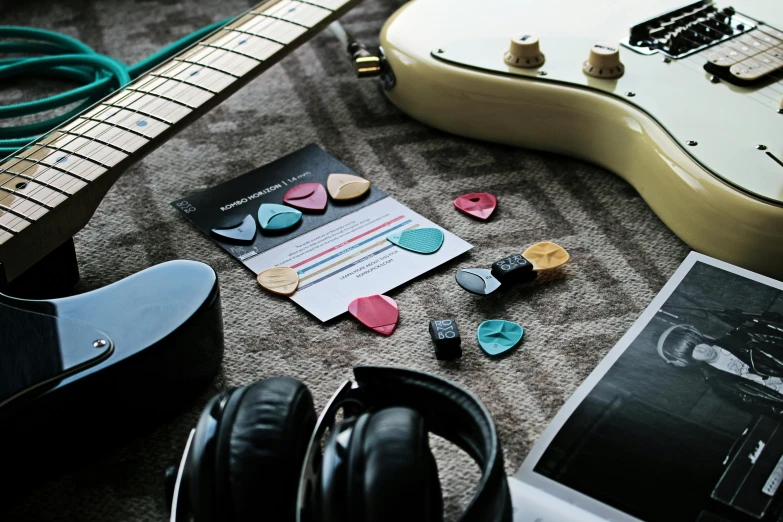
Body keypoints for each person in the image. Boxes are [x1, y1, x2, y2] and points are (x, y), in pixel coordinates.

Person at [657, 315, 783, 413]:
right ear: (685, 361)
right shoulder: (719, 383)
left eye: (696, 343)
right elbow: (768, 408)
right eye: (692, 352)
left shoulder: (744, 336)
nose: (702, 350)